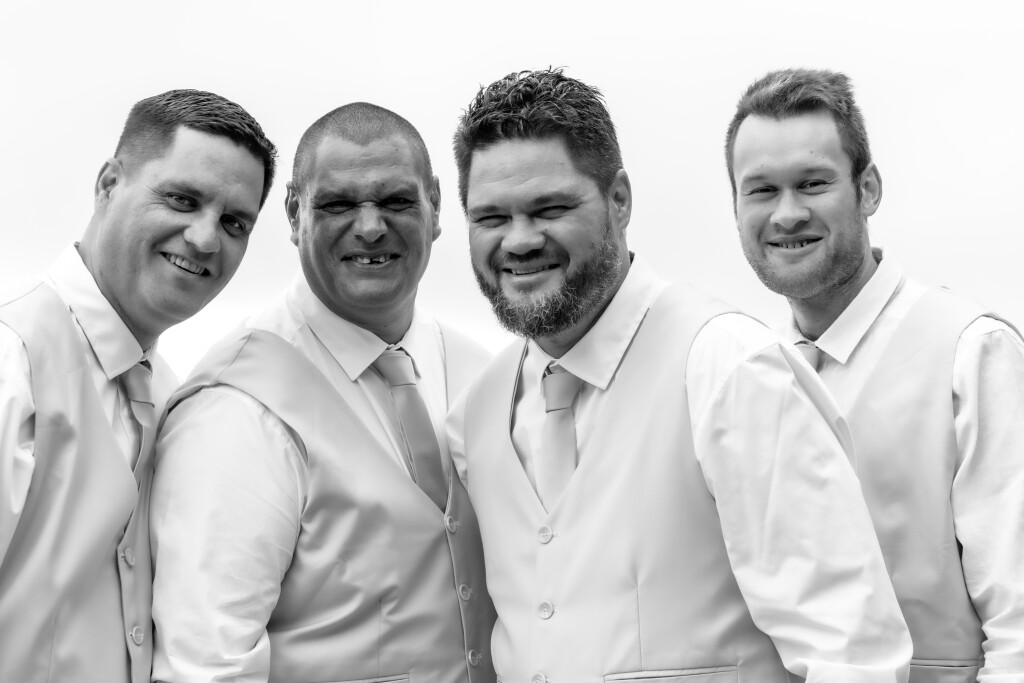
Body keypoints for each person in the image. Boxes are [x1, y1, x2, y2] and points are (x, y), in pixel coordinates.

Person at [447, 67, 913, 683]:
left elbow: (850, 654)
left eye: (550, 208)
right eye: (490, 218)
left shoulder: (729, 368)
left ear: (619, 200)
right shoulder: (475, 414)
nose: (520, 240)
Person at [149, 102, 496, 683]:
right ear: (294, 213)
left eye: (396, 201)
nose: (370, 227)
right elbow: (206, 665)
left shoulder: (480, 372)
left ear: (436, 205)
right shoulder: (235, 407)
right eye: (337, 204)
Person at [726, 67, 1024, 682]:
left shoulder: (973, 352)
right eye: (761, 190)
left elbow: (1019, 628)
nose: (787, 214)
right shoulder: (746, 372)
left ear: (868, 190)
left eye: (813, 183)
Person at [0, 89, 276, 683]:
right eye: (182, 199)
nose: (206, 239)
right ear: (108, 184)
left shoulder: (174, 396)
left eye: (234, 222)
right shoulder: (11, 363)